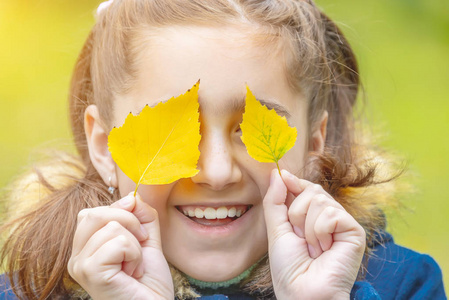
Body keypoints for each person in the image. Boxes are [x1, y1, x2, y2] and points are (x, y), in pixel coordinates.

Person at [0, 0, 445, 299]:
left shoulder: (403, 285)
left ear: (313, 143)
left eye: (251, 127)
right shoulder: (26, 290)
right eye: (177, 128)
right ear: (104, 144)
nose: (215, 172)